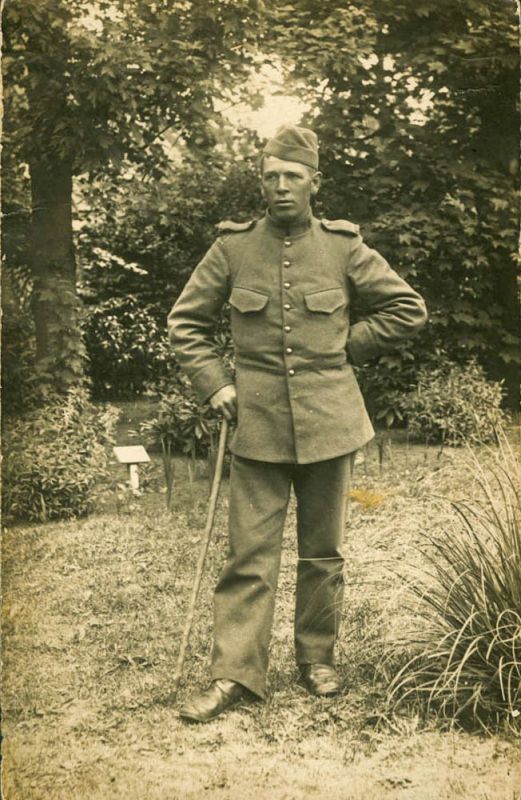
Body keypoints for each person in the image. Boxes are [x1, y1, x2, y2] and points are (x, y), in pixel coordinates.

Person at [167, 125, 427, 723]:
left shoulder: (343, 248)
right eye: (271, 176)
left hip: (331, 420)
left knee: (323, 551)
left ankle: (317, 658)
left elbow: (407, 308)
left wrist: (349, 343)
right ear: (261, 184)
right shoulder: (232, 249)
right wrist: (217, 383)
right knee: (248, 555)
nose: (281, 186)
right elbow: (186, 322)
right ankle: (235, 674)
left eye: (293, 175)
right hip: (256, 424)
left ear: (315, 182)